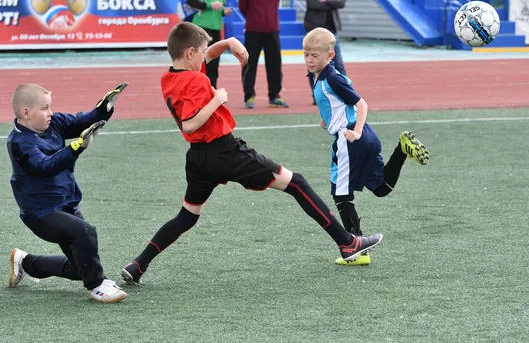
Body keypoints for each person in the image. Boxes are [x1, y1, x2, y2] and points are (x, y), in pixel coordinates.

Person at [120, 22, 383, 284]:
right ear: (190, 53)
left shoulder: (170, 77)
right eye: (201, 52)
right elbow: (189, 123)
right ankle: (348, 243)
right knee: (297, 184)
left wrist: (228, 43)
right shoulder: (197, 80)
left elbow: (207, 57)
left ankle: (138, 265)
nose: (205, 56)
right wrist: (217, 99)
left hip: (198, 158)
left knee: (187, 216)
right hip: (226, 152)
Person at [303, 28, 429, 266]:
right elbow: (335, 101)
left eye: (315, 55)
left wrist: (356, 131)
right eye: (306, 54)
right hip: (365, 138)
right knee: (381, 188)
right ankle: (402, 150)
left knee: (341, 195)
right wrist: (327, 118)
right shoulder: (320, 75)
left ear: (329, 56)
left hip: (352, 138)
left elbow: (361, 104)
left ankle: (357, 250)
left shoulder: (331, 77)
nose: (309, 60)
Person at [7, 83, 129, 303]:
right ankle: (97, 286)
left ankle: (25, 262)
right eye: (44, 108)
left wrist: (104, 109)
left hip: (67, 205)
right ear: (26, 113)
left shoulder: (54, 124)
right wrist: (75, 148)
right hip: (40, 213)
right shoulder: (19, 143)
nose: (50, 113)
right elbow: (44, 166)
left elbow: (83, 121)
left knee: (80, 267)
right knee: (84, 232)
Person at [238, 0, 289, 109]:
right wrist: (254, 18)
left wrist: (269, 19)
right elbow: (242, 5)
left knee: (274, 64)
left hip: (273, 30)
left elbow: (276, 0)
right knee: (249, 63)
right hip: (253, 30)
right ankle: (249, 96)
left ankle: (274, 96)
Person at [303, 0, 347, 105]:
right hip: (315, 32)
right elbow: (313, 3)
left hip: (332, 32)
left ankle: (344, 92)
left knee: (338, 63)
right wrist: (333, 1)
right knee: (314, 65)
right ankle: (317, 95)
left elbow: (342, 3)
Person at [186, 0, 233, 88]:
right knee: (197, 63)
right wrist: (209, 5)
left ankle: (211, 92)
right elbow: (191, 1)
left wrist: (224, 12)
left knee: (214, 64)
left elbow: (220, 8)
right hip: (200, 31)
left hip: (216, 30)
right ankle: (194, 91)